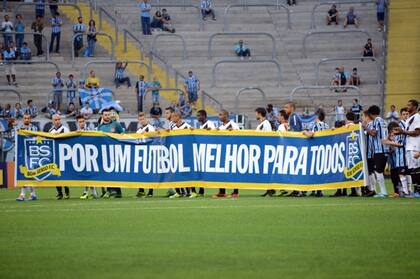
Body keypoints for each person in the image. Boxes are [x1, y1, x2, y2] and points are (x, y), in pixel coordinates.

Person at [394, 100, 420, 197]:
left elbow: (417, 132)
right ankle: (415, 190)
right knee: (412, 170)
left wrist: (403, 132)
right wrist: (401, 132)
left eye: (409, 105)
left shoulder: (417, 117)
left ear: (415, 107)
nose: (407, 106)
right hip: (409, 146)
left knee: (417, 169)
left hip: (415, 146)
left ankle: (418, 190)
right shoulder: (410, 118)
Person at [97, 109, 124, 198]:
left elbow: (123, 134)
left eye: (108, 114)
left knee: (115, 172)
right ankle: (109, 190)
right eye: (105, 115)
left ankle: (116, 191)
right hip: (105, 153)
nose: (107, 116)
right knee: (107, 172)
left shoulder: (116, 124)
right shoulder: (100, 127)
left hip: (115, 152)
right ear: (102, 116)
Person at [213, 109, 240, 198]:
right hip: (222, 152)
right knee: (221, 171)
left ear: (226, 115)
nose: (219, 116)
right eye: (219, 115)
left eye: (221, 115)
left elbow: (239, 135)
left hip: (232, 151)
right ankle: (222, 191)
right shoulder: (220, 127)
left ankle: (235, 191)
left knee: (232, 172)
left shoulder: (233, 125)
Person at [363, 105, 389, 198]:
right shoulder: (383, 121)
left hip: (379, 149)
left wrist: (365, 127)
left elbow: (374, 133)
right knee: (379, 171)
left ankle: (383, 192)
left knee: (378, 171)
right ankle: (383, 191)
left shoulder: (377, 120)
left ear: (370, 114)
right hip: (384, 148)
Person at [303, 109, 329, 197]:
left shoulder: (315, 125)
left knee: (314, 170)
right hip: (325, 150)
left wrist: (304, 132)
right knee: (320, 171)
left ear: (317, 116)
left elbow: (310, 135)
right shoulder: (326, 125)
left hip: (316, 150)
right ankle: (319, 190)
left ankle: (316, 190)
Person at [168, 111, 193, 198]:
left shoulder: (187, 126)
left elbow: (192, 138)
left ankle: (189, 191)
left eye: (173, 117)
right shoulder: (172, 126)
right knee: (176, 173)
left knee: (185, 173)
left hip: (185, 152)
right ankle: (180, 192)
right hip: (175, 152)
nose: (172, 119)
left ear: (178, 117)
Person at [382, 121, 410, 197]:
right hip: (395, 161)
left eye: (393, 131)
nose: (392, 133)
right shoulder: (393, 136)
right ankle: (399, 192)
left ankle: (407, 191)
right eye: (391, 131)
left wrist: (388, 142)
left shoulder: (400, 135)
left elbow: (400, 144)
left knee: (403, 175)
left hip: (402, 159)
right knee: (395, 177)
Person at [15, 113, 38, 201]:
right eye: (25, 118)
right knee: (23, 174)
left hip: (31, 154)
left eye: (28, 118)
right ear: (23, 119)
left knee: (29, 174)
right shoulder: (19, 128)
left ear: (30, 119)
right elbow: (15, 139)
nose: (27, 120)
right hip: (21, 154)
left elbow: (36, 139)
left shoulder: (34, 128)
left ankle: (24, 194)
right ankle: (31, 194)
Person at [76, 115, 98, 199]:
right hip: (82, 155)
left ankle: (86, 192)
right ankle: (93, 192)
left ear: (85, 122)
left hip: (90, 155)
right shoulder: (76, 132)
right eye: (80, 122)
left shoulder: (89, 130)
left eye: (83, 121)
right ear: (77, 123)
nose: (81, 123)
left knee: (89, 174)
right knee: (86, 174)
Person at [255, 107, 275, 197]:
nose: (255, 115)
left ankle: (270, 189)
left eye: (256, 113)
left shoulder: (266, 123)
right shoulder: (261, 124)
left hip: (266, 150)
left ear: (259, 113)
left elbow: (268, 136)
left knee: (268, 170)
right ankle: (269, 189)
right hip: (261, 150)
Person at [49, 114, 70, 199]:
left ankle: (67, 191)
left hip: (64, 155)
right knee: (56, 174)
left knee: (64, 174)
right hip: (55, 155)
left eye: (58, 119)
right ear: (52, 121)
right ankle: (59, 192)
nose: (57, 121)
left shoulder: (65, 130)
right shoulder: (50, 131)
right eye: (55, 120)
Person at [136, 112, 156, 198]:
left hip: (149, 153)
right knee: (140, 172)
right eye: (140, 119)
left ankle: (150, 191)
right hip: (141, 154)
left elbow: (153, 139)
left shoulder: (151, 128)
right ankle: (141, 190)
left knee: (149, 172)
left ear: (146, 119)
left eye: (143, 119)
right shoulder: (138, 130)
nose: (142, 120)